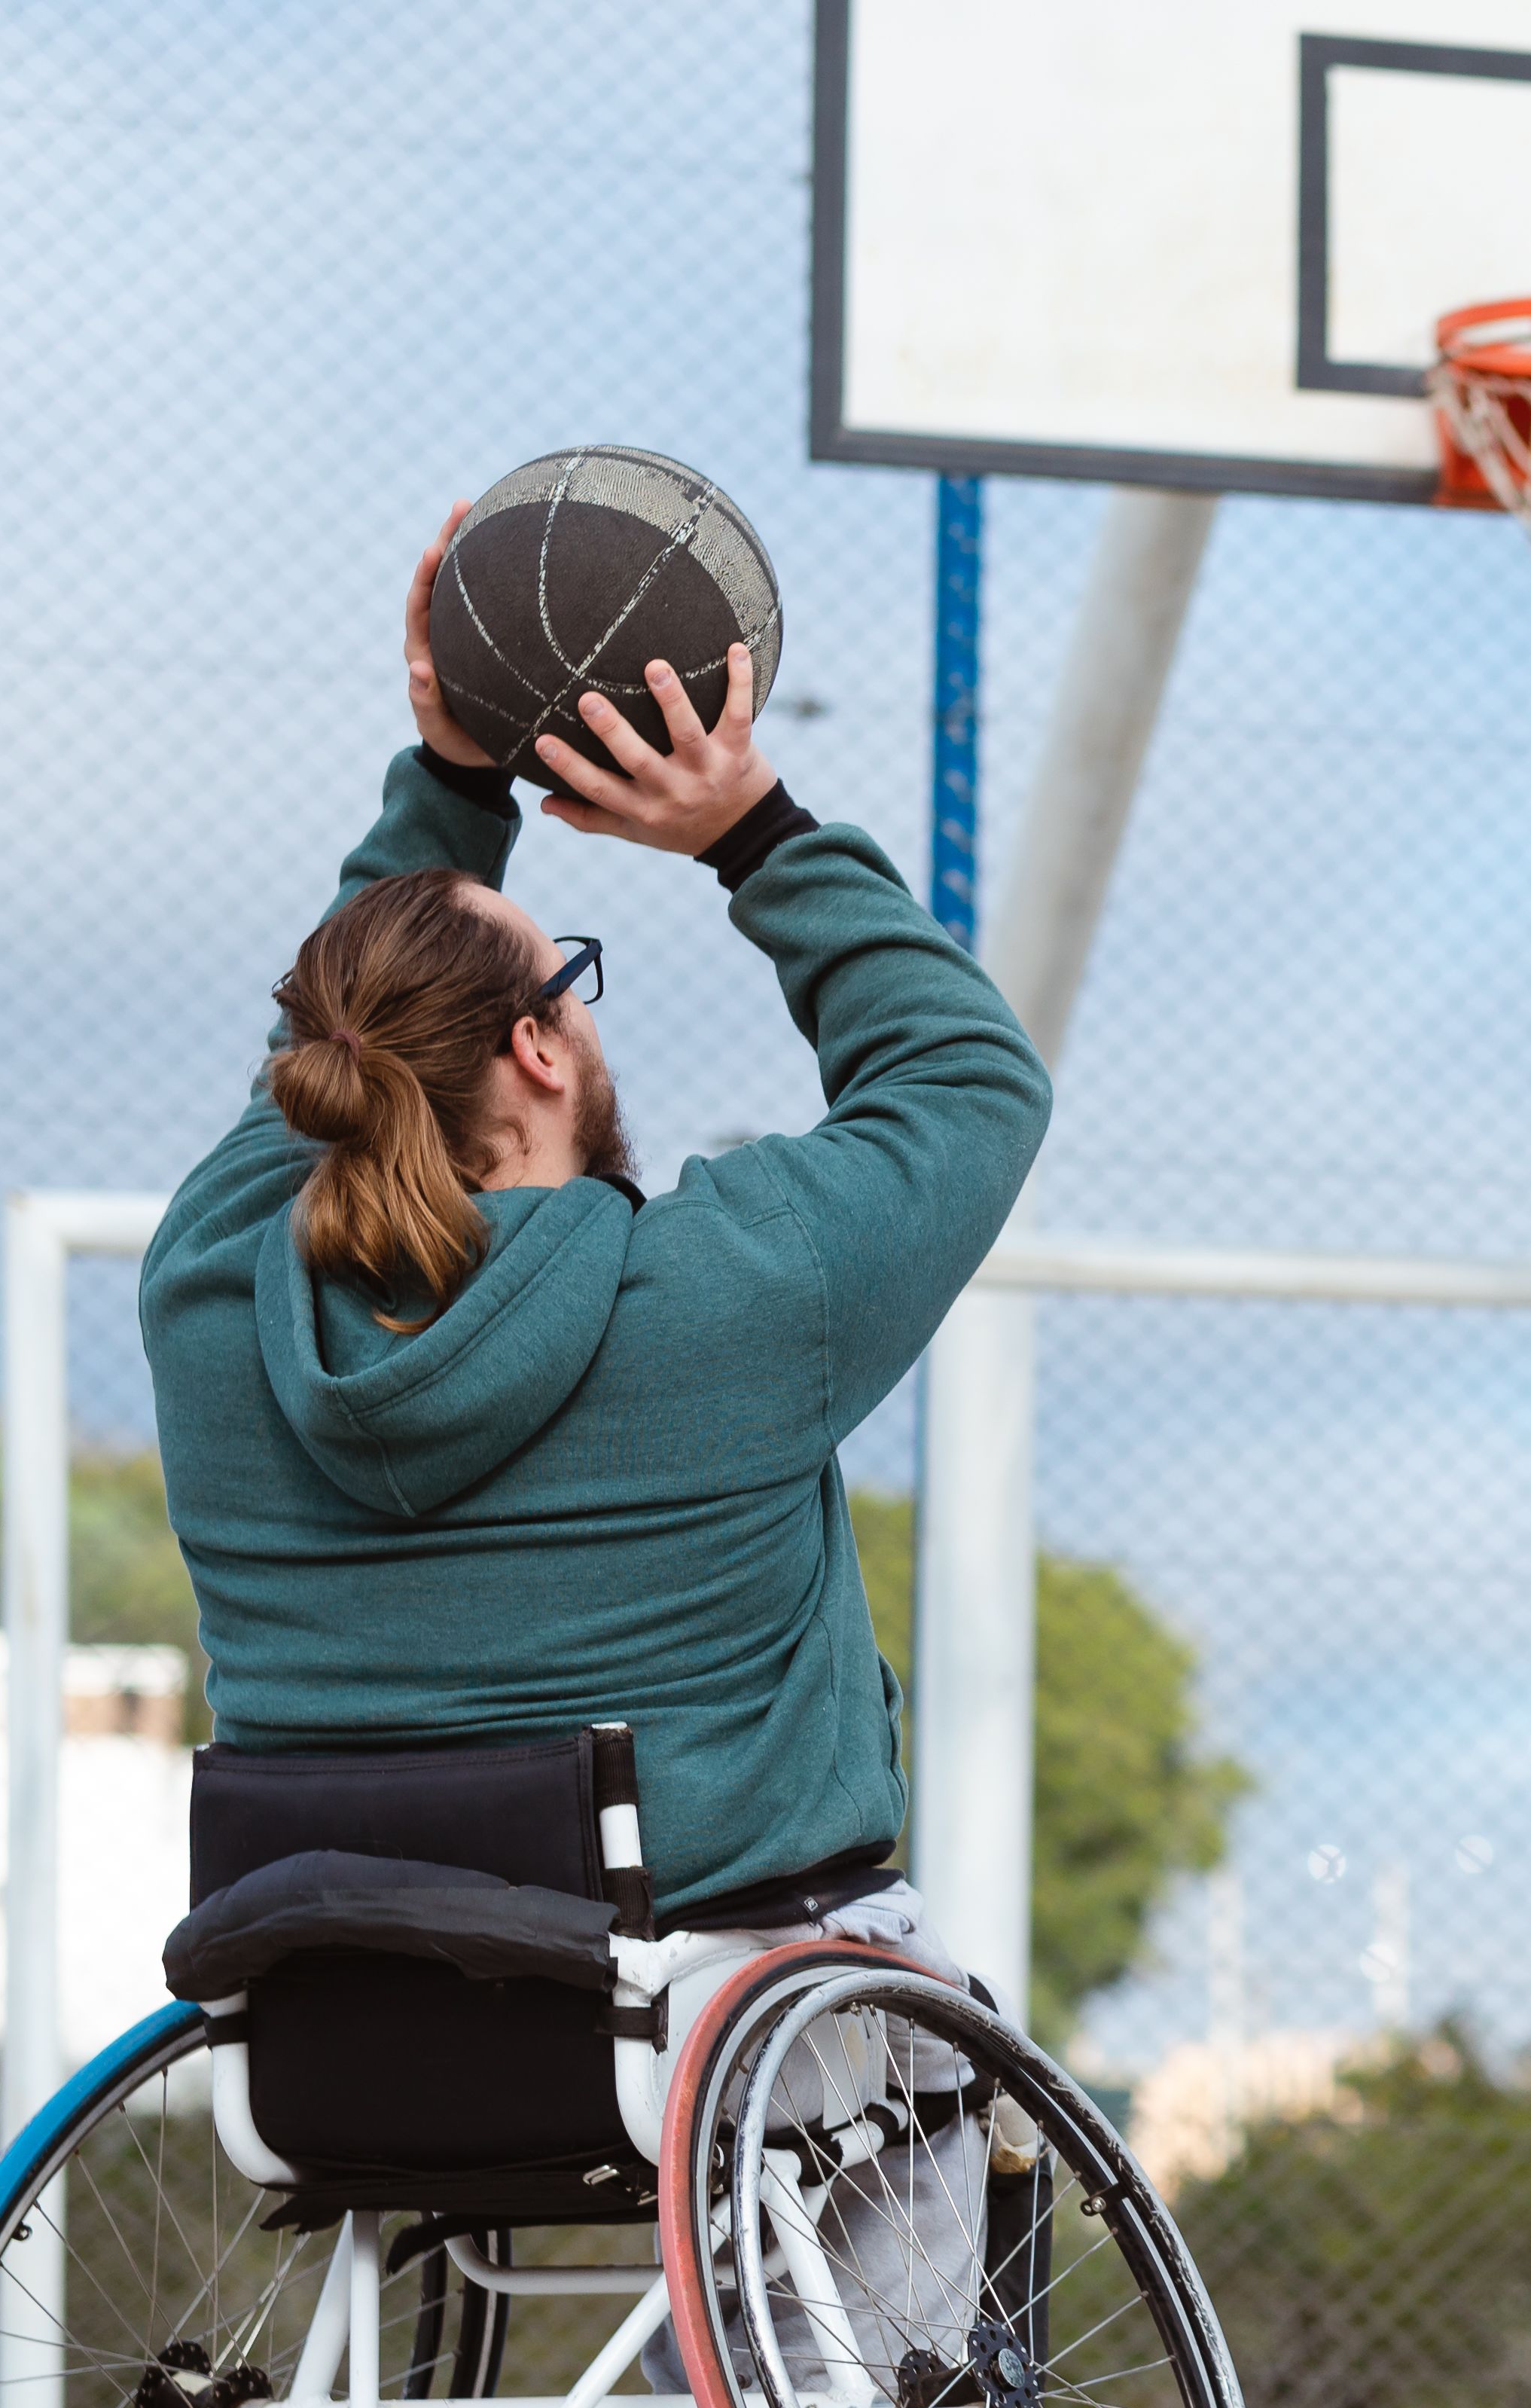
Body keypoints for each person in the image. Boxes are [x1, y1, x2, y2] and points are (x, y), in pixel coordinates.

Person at [141, 509, 1048, 1978]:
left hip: (343, 2004)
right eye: (574, 980)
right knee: (960, 2114)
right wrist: (746, 822)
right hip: (722, 1985)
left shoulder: (210, 1285)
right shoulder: (745, 1283)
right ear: (540, 1050)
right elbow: (969, 1080)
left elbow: (343, 1029)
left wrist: (447, 780)